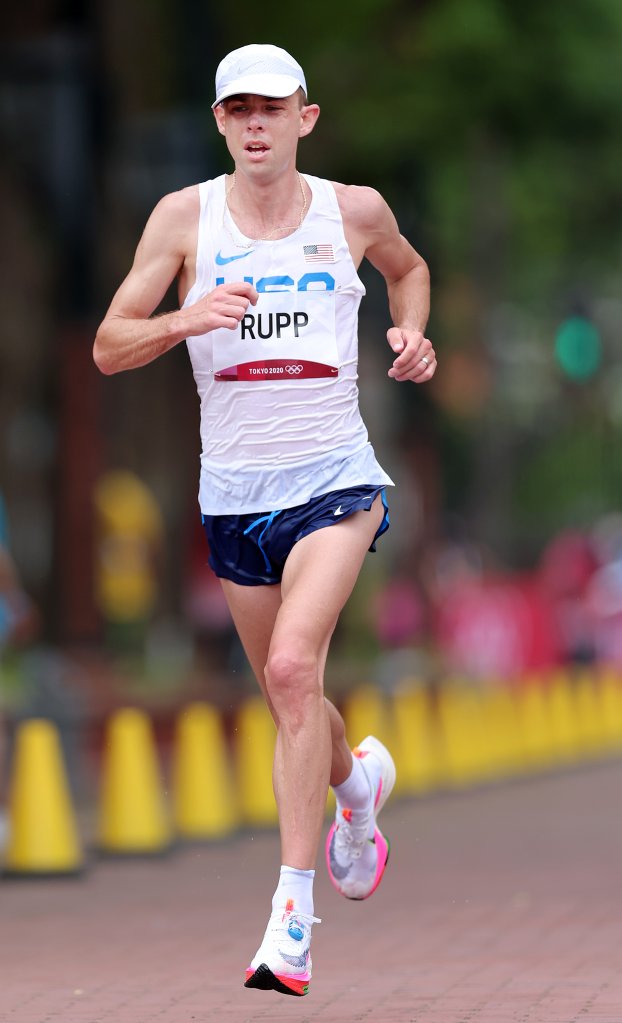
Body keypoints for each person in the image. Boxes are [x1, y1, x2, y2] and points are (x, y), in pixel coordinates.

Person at [93, 43, 436, 998]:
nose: (255, 124)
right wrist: (182, 320)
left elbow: (409, 271)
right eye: (237, 108)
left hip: (335, 480)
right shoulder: (182, 218)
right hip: (233, 497)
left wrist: (411, 333)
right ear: (219, 123)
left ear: (304, 119)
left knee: (292, 667)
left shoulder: (352, 210)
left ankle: (290, 924)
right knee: (292, 698)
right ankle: (357, 787)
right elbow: (109, 345)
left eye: (272, 108)